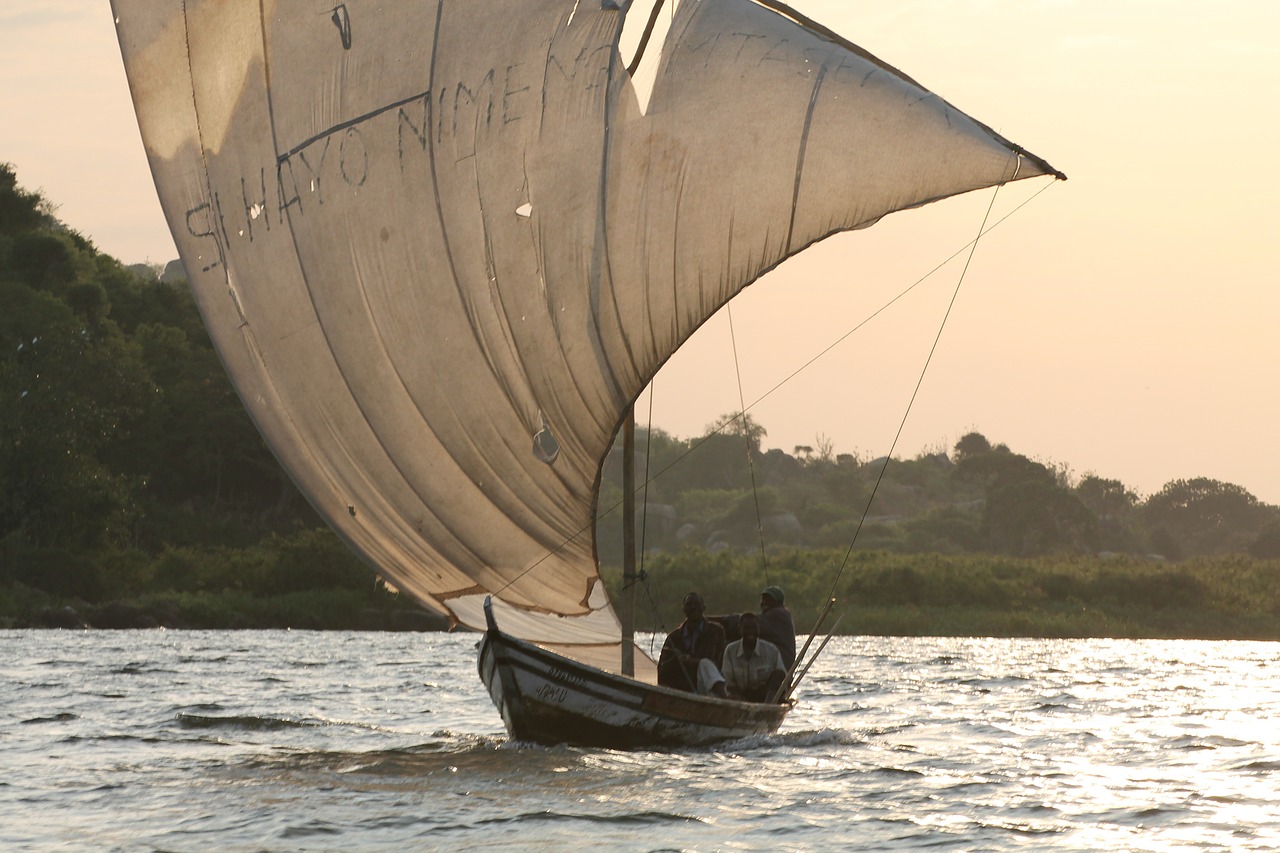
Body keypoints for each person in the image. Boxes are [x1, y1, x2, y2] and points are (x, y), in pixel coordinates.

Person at [657, 592, 727, 697]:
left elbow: (717, 661)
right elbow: (663, 669)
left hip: (706, 683)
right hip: (681, 688)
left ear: (703, 608)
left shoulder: (715, 632)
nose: (693, 608)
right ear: (684, 609)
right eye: (689, 604)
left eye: (696, 604)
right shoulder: (673, 638)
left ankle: (723, 696)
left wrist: (689, 660)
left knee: (705, 664)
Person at [721, 611, 786, 703]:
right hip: (741, 696)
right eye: (746, 628)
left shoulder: (771, 650)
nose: (750, 631)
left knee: (778, 674)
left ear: (758, 629)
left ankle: (768, 705)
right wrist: (743, 701)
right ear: (739, 629)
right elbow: (728, 682)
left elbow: (780, 676)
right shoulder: (730, 650)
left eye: (753, 628)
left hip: (765, 696)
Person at [758, 585, 796, 672]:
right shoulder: (771, 615)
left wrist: (725, 621)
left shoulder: (778, 614)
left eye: (769, 600)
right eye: (763, 599)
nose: (764, 602)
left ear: (778, 602)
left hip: (781, 666)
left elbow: (754, 621)